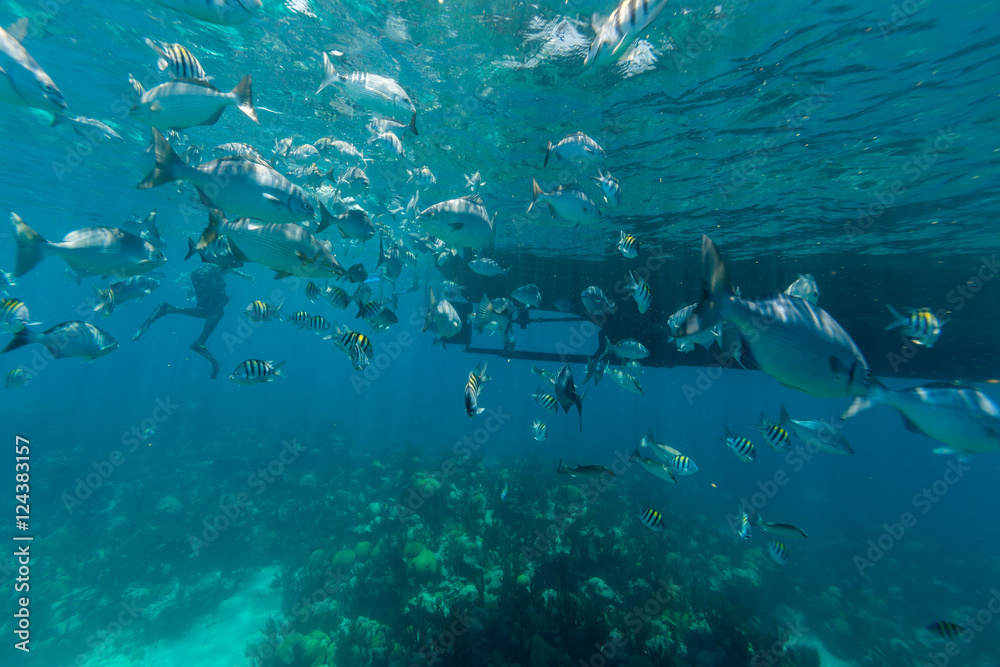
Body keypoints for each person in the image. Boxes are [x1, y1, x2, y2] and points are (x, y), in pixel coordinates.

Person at [133, 265, 229, 378]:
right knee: (216, 312)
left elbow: (227, 264)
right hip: (208, 275)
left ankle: (169, 309)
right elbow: (225, 262)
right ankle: (199, 343)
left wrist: (240, 274)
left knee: (214, 313)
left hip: (209, 275)